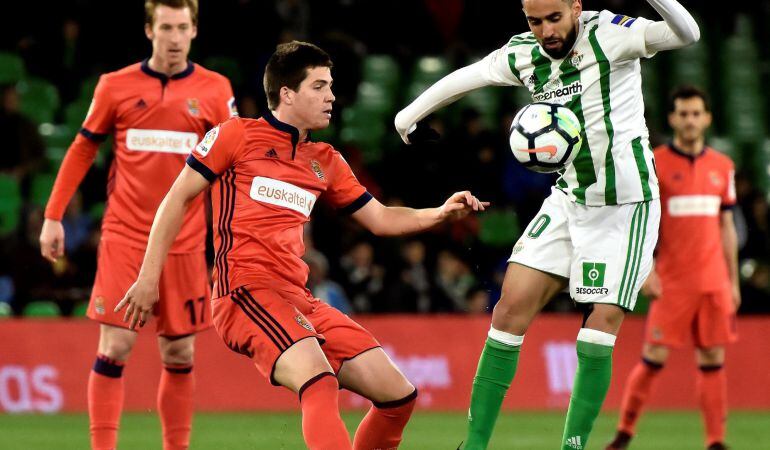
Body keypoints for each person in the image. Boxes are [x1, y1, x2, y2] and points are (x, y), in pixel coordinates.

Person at [116, 41, 488, 450]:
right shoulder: (235, 135)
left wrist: (439, 213)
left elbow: (380, 218)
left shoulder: (325, 160)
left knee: (398, 396)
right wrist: (148, 277)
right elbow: (175, 199)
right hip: (244, 292)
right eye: (319, 86)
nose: (331, 96)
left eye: (331, 86)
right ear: (287, 93)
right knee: (319, 381)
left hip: (299, 300)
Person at [394, 0, 701, 448]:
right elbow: (470, 75)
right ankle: (473, 445)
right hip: (569, 199)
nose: (546, 31)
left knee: (598, 325)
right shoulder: (525, 53)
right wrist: (407, 116)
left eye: (554, 18)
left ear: (576, 7)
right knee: (508, 309)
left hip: (625, 206)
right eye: (534, 21)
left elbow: (687, 33)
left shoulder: (611, 35)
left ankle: (572, 447)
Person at [38, 1, 237, 449]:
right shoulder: (115, 86)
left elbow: (233, 164)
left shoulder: (214, 89)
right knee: (115, 347)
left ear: (194, 31)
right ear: (149, 30)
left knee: (179, 351)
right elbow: (83, 148)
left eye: (182, 27)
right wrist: (53, 215)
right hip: (125, 236)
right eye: (165, 27)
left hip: (186, 242)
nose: (174, 38)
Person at [606, 87, 739, 450]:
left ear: (707, 118)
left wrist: (732, 282)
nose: (690, 120)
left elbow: (726, 227)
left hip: (714, 282)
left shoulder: (723, 167)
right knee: (653, 358)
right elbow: (642, 222)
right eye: (683, 114)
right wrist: (646, 269)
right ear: (672, 118)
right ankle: (623, 433)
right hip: (672, 282)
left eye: (696, 114)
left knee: (713, 360)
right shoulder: (656, 163)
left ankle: (715, 441)